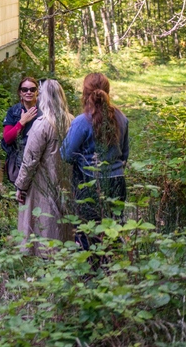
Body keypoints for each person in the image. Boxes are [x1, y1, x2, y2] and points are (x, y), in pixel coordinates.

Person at [61, 72, 130, 248]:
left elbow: (66, 154)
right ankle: (113, 270)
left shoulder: (81, 122)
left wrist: (83, 160)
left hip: (90, 182)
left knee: (88, 232)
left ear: (84, 93)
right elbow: (124, 154)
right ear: (108, 91)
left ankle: (91, 272)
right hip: (117, 181)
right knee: (114, 228)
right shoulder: (121, 117)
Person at [14, 79, 74, 254]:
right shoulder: (72, 121)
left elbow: (30, 160)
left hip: (43, 185)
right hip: (67, 184)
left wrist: (21, 186)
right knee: (64, 228)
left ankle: (46, 268)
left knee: (46, 227)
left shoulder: (42, 124)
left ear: (44, 98)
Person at [2, 76, 39, 183]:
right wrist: (22, 122)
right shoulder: (14, 111)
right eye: (24, 89)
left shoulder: (44, 110)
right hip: (19, 161)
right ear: (20, 92)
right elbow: (7, 138)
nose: (28, 92)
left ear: (37, 92)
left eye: (32, 89)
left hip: (39, 160)